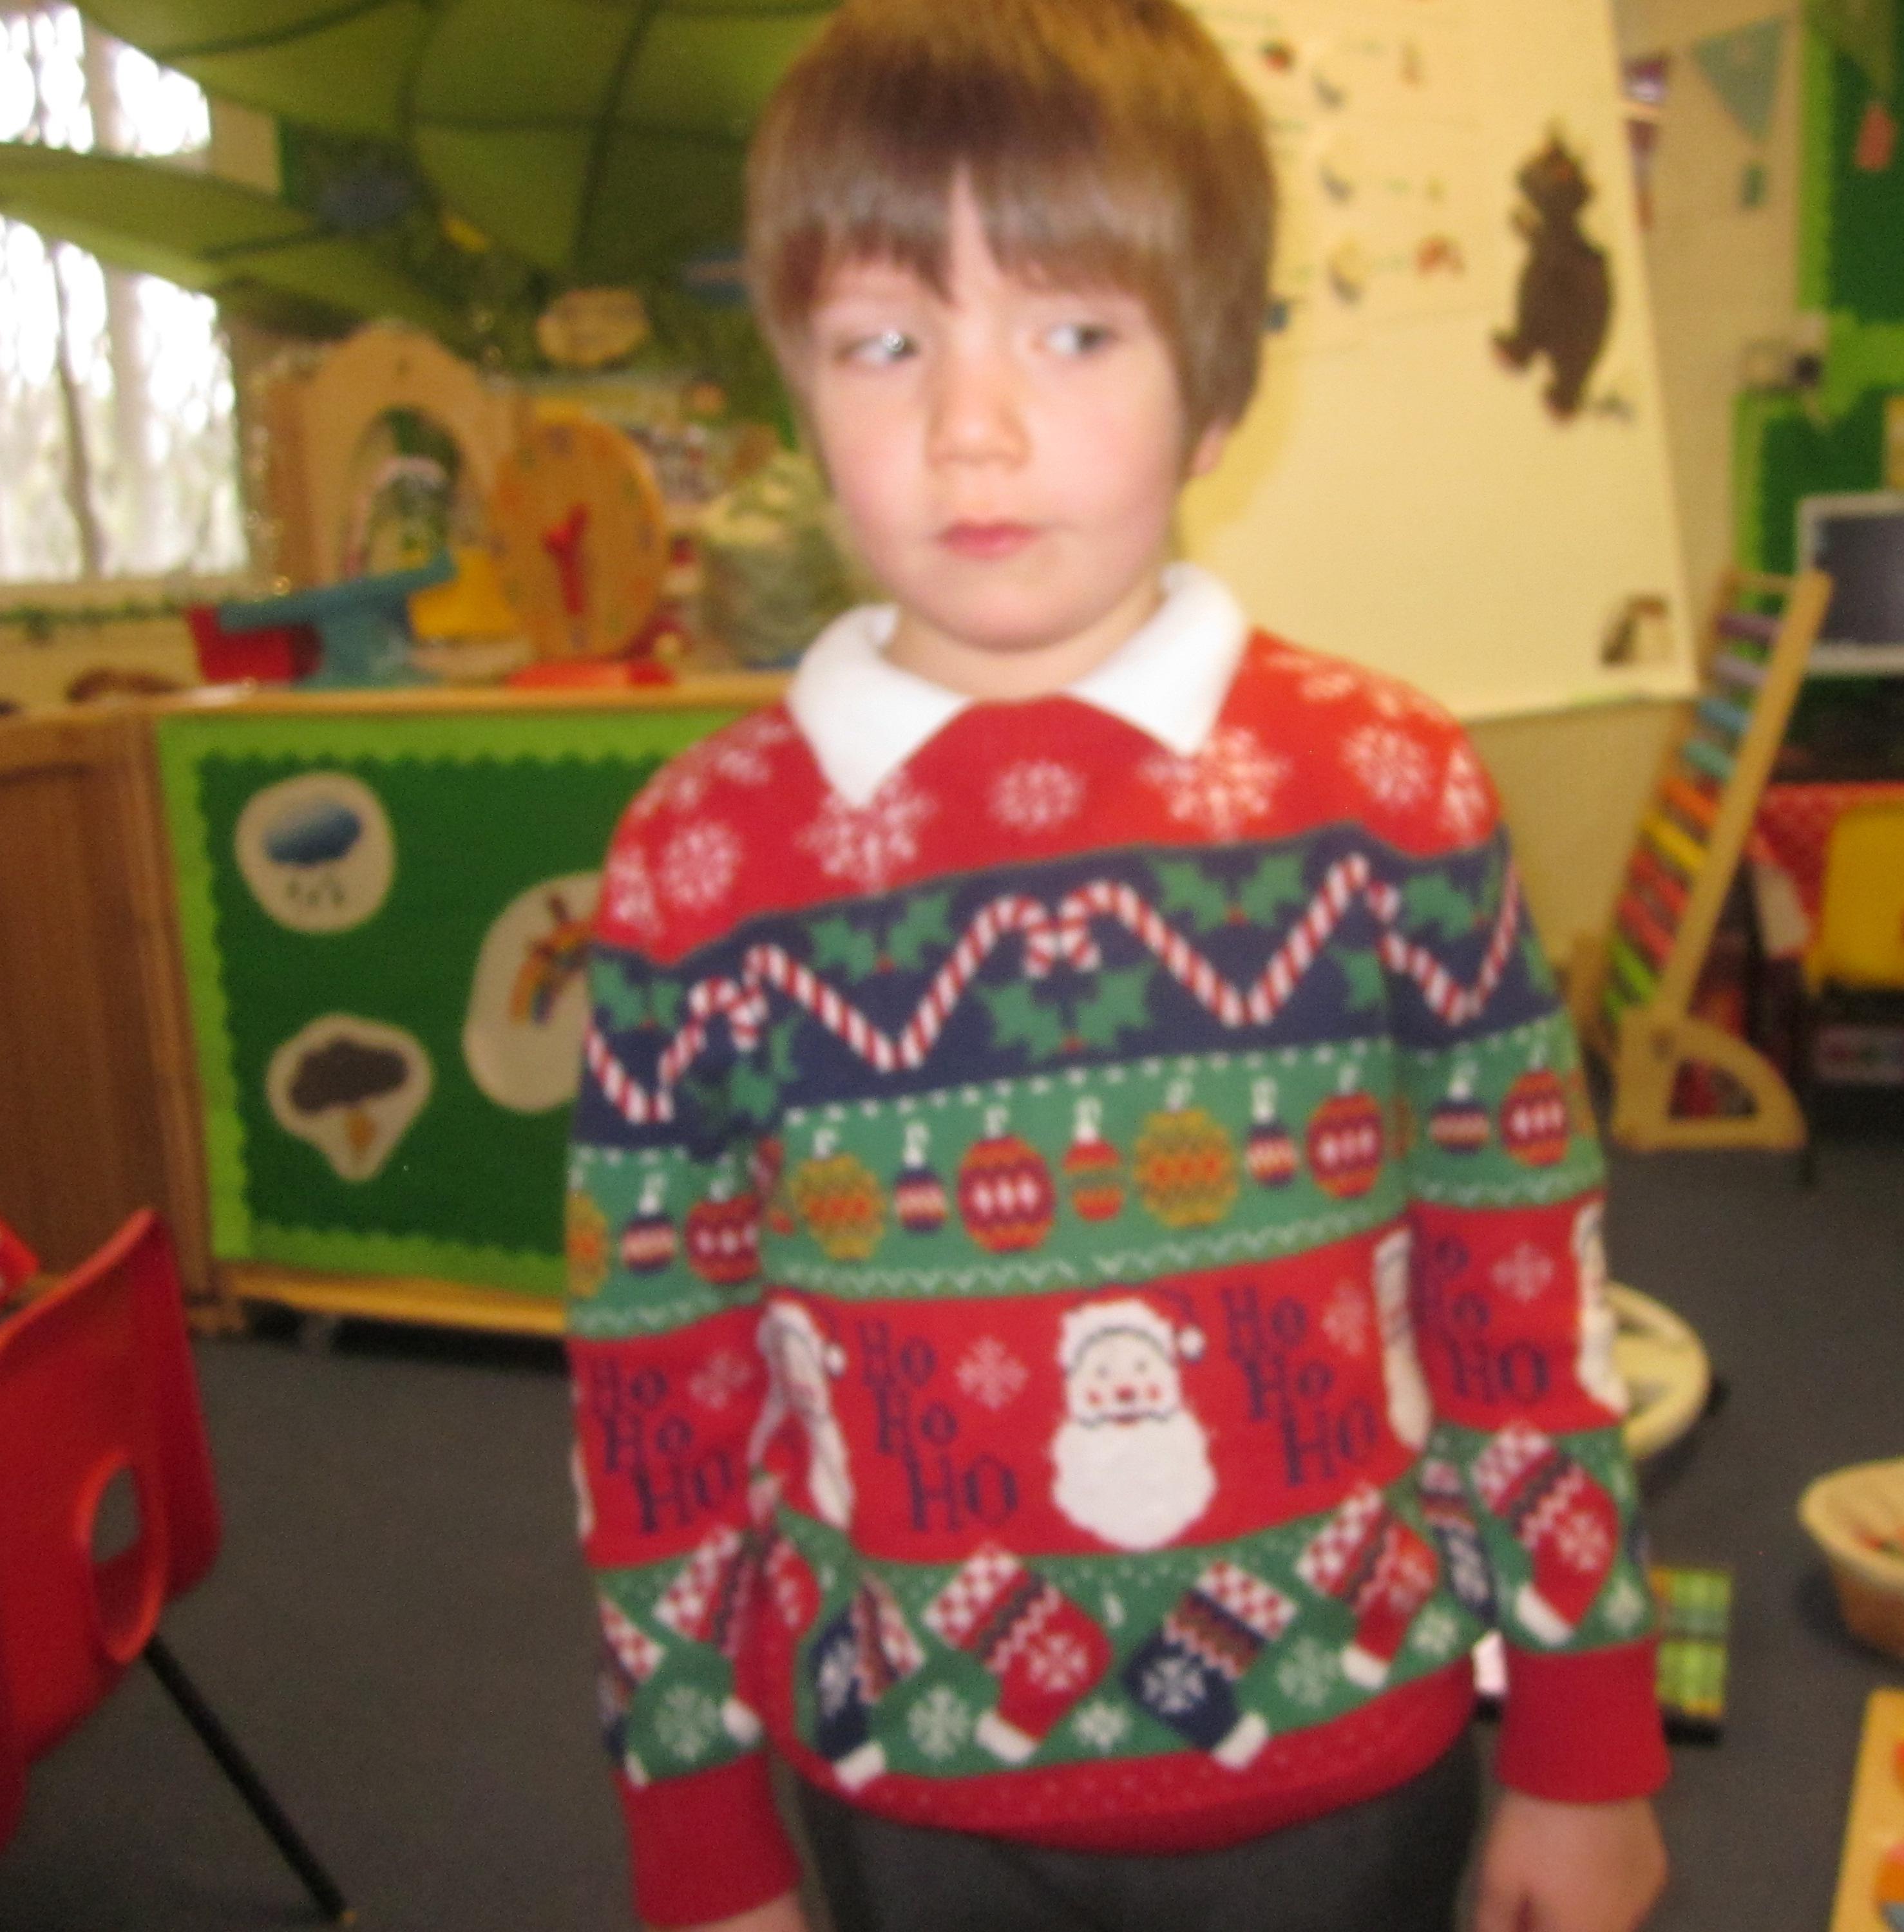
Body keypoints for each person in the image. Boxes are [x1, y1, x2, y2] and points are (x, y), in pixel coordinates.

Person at [562, 1, 1670, 1926]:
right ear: (802, 395)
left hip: (1350, 1771)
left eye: (1073, 334)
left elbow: (1522, 1287)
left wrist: (1585, 1749)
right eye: (887, 343)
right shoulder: (697, 862)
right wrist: (699, 1831)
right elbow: (657, 1389)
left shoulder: (1390, 791)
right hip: (906, 1795)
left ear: (1213, 393)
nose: (971, 428)